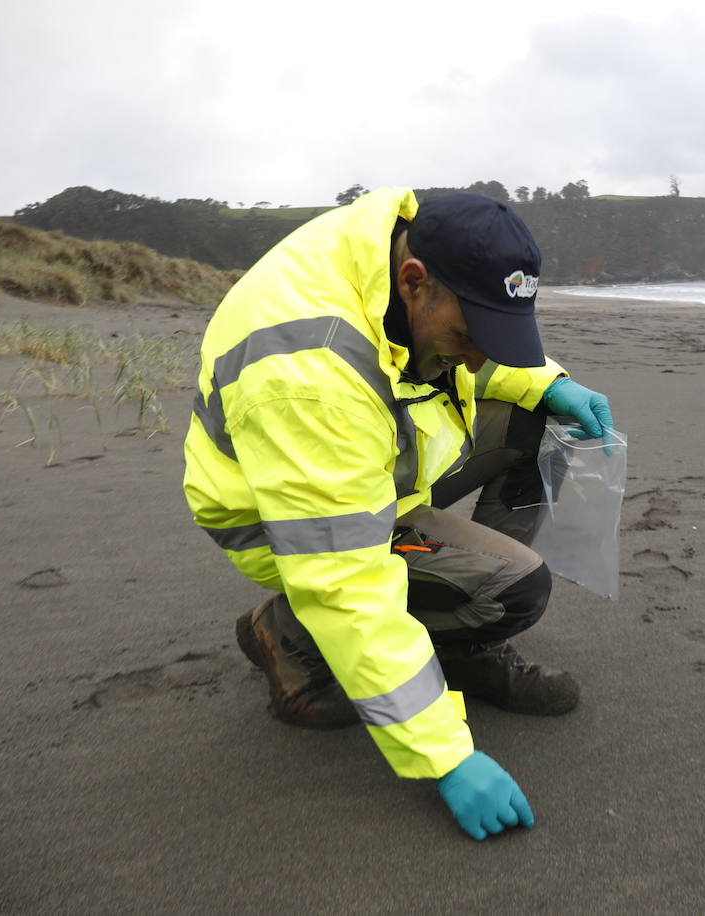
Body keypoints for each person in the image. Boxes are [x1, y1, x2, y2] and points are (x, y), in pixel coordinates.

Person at [182, 189, 615, 841]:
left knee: (542, 420)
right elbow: (346, 584)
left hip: (380, 461)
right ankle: (289, 631)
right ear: (415, 284)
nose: (475, 360)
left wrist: (547, 382)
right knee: (515, 590)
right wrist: (447, 759)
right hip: (285, 519)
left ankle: (457, 621)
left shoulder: (400, 242)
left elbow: (474, 342)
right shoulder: (308, 376)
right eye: (469, 338)